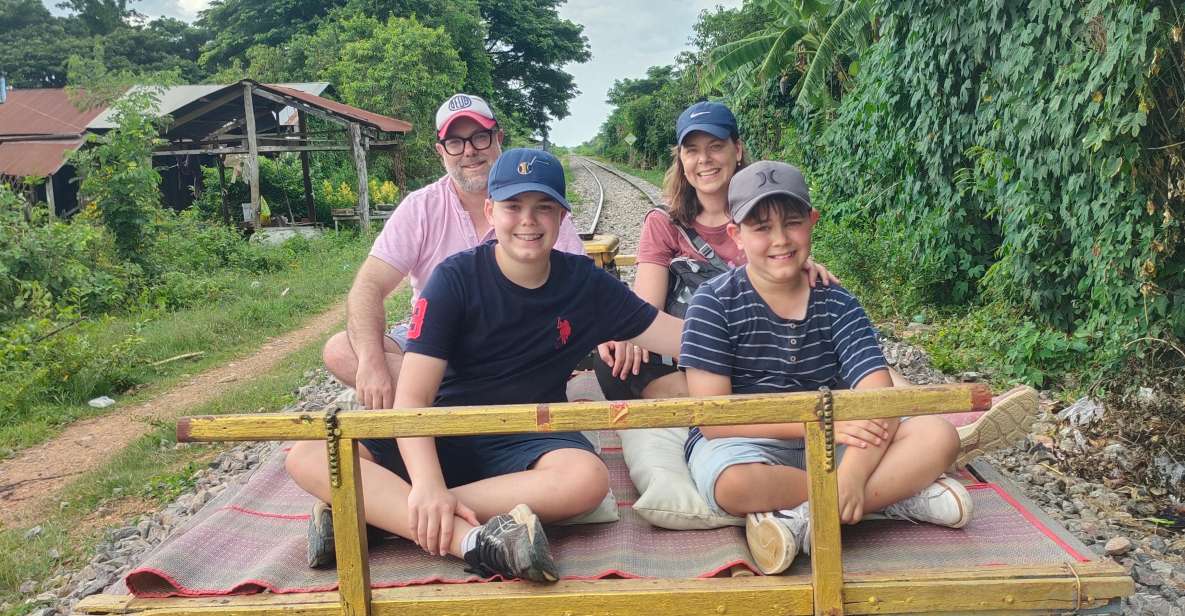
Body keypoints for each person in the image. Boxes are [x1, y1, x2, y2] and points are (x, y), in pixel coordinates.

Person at [287, 148, 683, 582]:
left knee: (586, 480)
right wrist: (426, 481)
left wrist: (756, 332)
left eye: (544, 207)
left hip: (527, 434)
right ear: (491, 212)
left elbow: (675, 336)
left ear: (562, 217)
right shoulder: (454, 280)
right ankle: (469, 541)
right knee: (308, 456)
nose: (528, 221)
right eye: (513, 206)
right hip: (445, 424)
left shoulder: (586, 283)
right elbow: (413, 398)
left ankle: (389, 514)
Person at [291, 93, 588, 568]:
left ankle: (391, 509)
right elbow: (369, 287)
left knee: (581, 480)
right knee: (334, 372)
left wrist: (615, 331)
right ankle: (458, 524)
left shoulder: (536, 210)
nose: (469, 150)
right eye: (456, 141)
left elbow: (583, 288)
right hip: (429, 361)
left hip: (506, 368)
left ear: (498, 139)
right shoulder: (421, 207)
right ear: (440, 151)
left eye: (479, 137)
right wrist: (371, 362)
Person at [680, 161, 973, 575]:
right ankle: (889, 498)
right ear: (736, 236)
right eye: (761, 227)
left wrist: (851, 471)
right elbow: (712, 418)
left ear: (812, 223)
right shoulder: (714, 303)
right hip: (752, 438)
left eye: (793, 223)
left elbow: (877, 393)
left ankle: (804, 517)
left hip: (839, 438)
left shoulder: (836, 301)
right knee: (734, 483)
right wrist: (818, 422)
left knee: (938, 434)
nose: (780, 240)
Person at [595, 101, 837, 401]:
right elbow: (647, 308)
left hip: (765, 343)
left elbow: (789, 261)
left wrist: (804, 265)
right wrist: (629, 336)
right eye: (692, 150)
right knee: (613, 358)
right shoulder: (664, 222)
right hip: (695, 349)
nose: (704, 160)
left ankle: (721, 398)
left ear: (737, 150)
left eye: (715, 146)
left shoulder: (766, 215)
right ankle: (734, 395)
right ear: (681, 158)